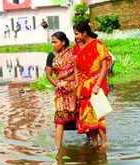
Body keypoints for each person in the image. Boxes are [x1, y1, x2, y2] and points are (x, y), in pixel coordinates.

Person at [73, 22, 112, 151]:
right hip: (83, 86)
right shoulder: (77, 47)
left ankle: (104, 142)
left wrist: (97, 85)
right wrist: (77, 84)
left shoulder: (98, 44)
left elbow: (105, 66)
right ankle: (94, 142)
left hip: (96, 84)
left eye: (77, 34)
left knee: (98, 113)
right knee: (86, 115)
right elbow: (76, 69)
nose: (76, 37)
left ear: (85, 33)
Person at [45, 32, 77, 150]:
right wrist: (57, 84)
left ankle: (91, 141)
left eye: (55, 42)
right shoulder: (51, 56)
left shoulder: (72, 53)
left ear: (63, 42)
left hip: (74, 89)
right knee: (60, 118)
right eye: (52, 42)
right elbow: (48, 75)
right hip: (61, 91)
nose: (53, 44)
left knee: (80, 116)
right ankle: (58, 147)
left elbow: (78, 69)